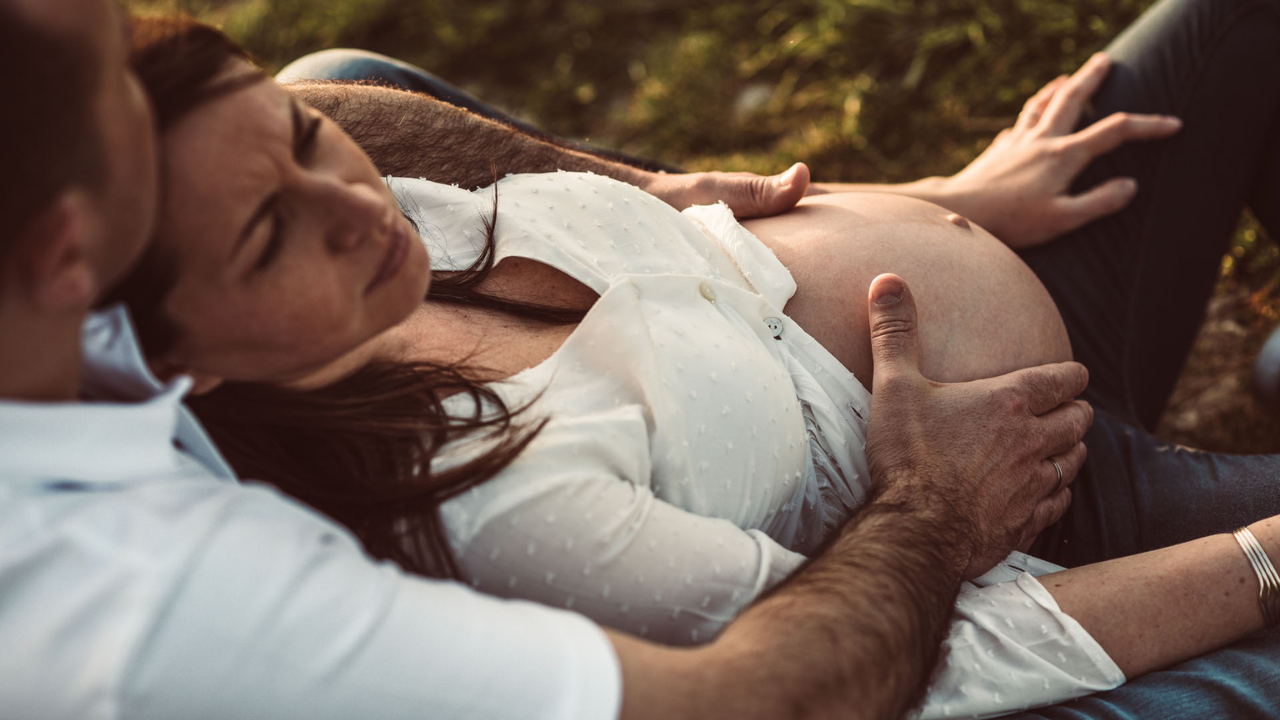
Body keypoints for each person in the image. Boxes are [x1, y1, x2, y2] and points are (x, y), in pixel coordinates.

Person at [110, 2, 1280, 716]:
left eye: (304, 143)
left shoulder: (383, 225)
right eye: (270, 235)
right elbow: (913, 665)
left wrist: (943, 201)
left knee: (1240, 24)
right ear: (183, 364)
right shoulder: (500, 503)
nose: (361, 211)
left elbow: (699, 250)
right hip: (1047, 511)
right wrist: (1256, 561)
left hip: (1024, 298)